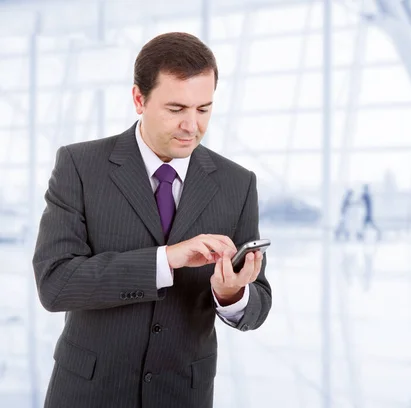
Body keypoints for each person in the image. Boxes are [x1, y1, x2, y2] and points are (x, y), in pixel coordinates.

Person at [32, 32, 272, 408]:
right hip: (88, 393)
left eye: (203, 109)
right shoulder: (80, 167)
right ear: (139, 99)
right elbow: (56, 284)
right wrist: (167, 259)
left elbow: (259, 301)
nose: (191, 126)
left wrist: (232, 294)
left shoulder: (237, 183)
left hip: (182, 394)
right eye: (176, 109)